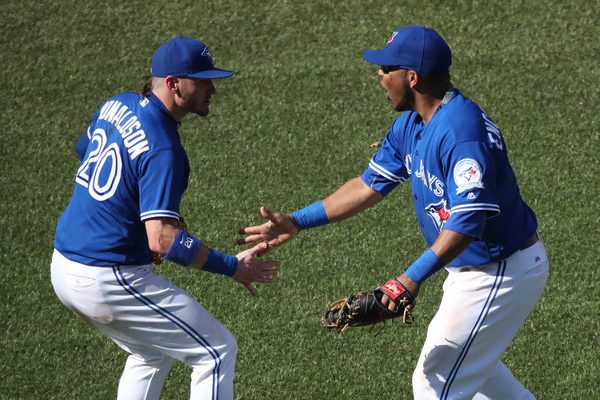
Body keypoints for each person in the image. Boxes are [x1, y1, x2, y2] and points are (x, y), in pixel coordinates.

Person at [239, 26, 548, 399]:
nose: (379, 76)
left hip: (500, 272)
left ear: (412, 77)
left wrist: (408, 279)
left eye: (387, 69)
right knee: (477, 375)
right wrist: (297, 221)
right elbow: (368, 186)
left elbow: (468, 222)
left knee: (433, 383)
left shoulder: (461, 133)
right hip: (474, 269)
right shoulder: (412, 124)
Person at [51, 36, 279, 400]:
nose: (212, 89)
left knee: (151, 351)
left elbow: (85, 152)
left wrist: (126, 218)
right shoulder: (164, 149)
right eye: (202, 80)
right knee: (216, 351)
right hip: (108, 278)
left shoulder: (117, 104)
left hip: (63, 266)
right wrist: (231, 267)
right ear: (173, 84)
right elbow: (163, 240)